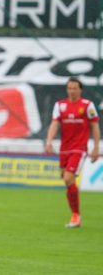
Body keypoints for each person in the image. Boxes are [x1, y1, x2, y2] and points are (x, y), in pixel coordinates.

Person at [45, 76, 100, 228]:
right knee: (68, 181)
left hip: (79, 148)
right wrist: (48, 141)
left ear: (80, 90)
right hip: (65, 149)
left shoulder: (87, 105)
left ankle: (76, 216)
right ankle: (75, 215)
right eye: (69, 88)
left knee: (68, 178)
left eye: (75, 88)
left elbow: (95, 126)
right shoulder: (60, 105)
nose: (72, 91)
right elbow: (54, 124)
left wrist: (96, 147)